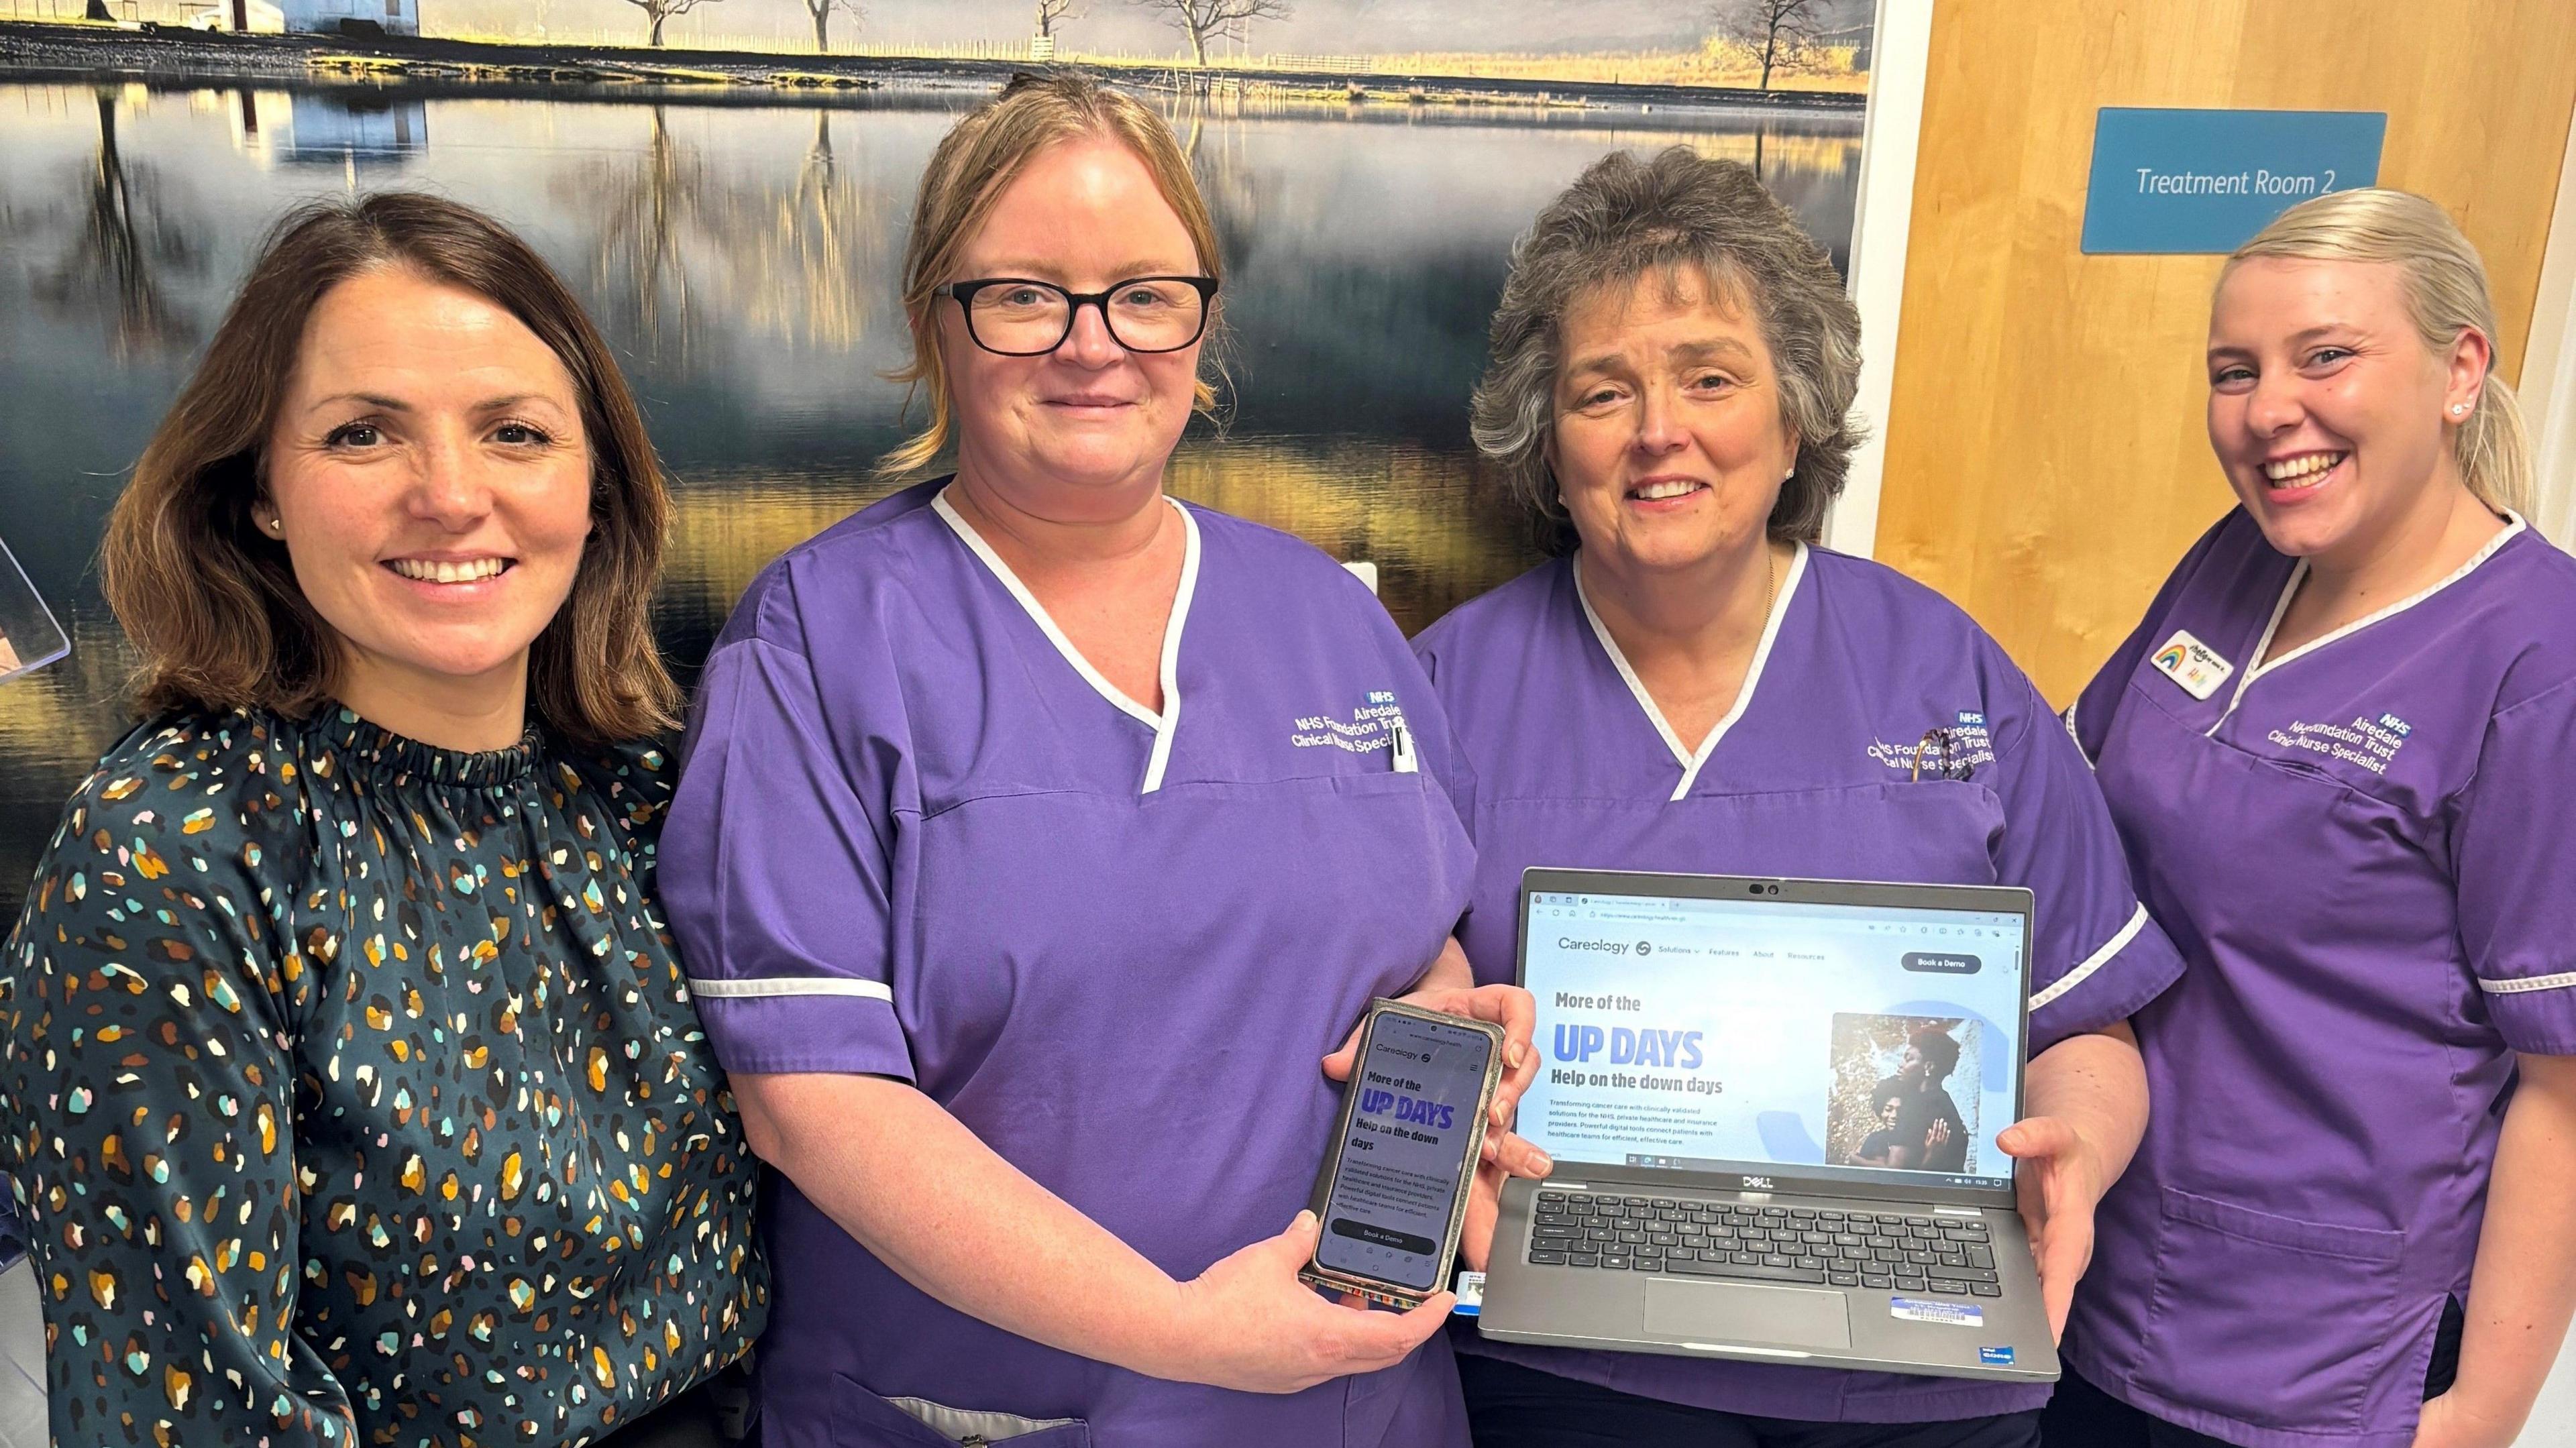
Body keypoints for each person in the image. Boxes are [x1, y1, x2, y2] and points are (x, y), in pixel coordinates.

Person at [657, 70, 1541, 1448]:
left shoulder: (1334, 620)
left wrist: (1447, 1032)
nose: (1094, 344)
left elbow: (1409, 942)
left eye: (1144, 291)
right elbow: (810, 1102)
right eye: (1023, 294)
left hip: (1354, 1401)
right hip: (987, 1405)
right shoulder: (820, 641)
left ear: (1200, 324)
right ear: (933, 326)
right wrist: (1184, 1333)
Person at [1411, 146, 2186, 1445]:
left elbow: (2087, 1026)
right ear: (1550, 438)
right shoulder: (1444, 692)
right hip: (1570, 1364)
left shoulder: (1947, 675)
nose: (1660, 429)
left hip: (1919, 1365)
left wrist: (2079, 1149)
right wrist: (1451, 1099)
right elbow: (1389, 1011)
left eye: (1710, 376)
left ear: (1794, 413)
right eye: (1606, 390)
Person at [0, 193, 763, 1446]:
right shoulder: (180, 852)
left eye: (516, 432)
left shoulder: (641, 788)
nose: (451, 495)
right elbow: (195, 1417)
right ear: (259, 491)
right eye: (363, 434)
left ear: (595, 490)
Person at [2047, 189, 2576, 1448]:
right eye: (2235, 370)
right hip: (2100, 1267)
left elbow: (2566, 1090)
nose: (2268, 408)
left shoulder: (2539, 663)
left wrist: (2482, 1414)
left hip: (2324, 1358)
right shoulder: (2239, 560)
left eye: (2326, 354)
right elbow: (2070, 797)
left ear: (2461, 371)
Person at [1874, 1029, 1969, 1173]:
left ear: (1929, 1067)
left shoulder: (1916, 1107)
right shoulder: (1945, 1103)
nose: (1901, 1065)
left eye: (1909, 1059)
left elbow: (1893, 1174)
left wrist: (1855, 1160)